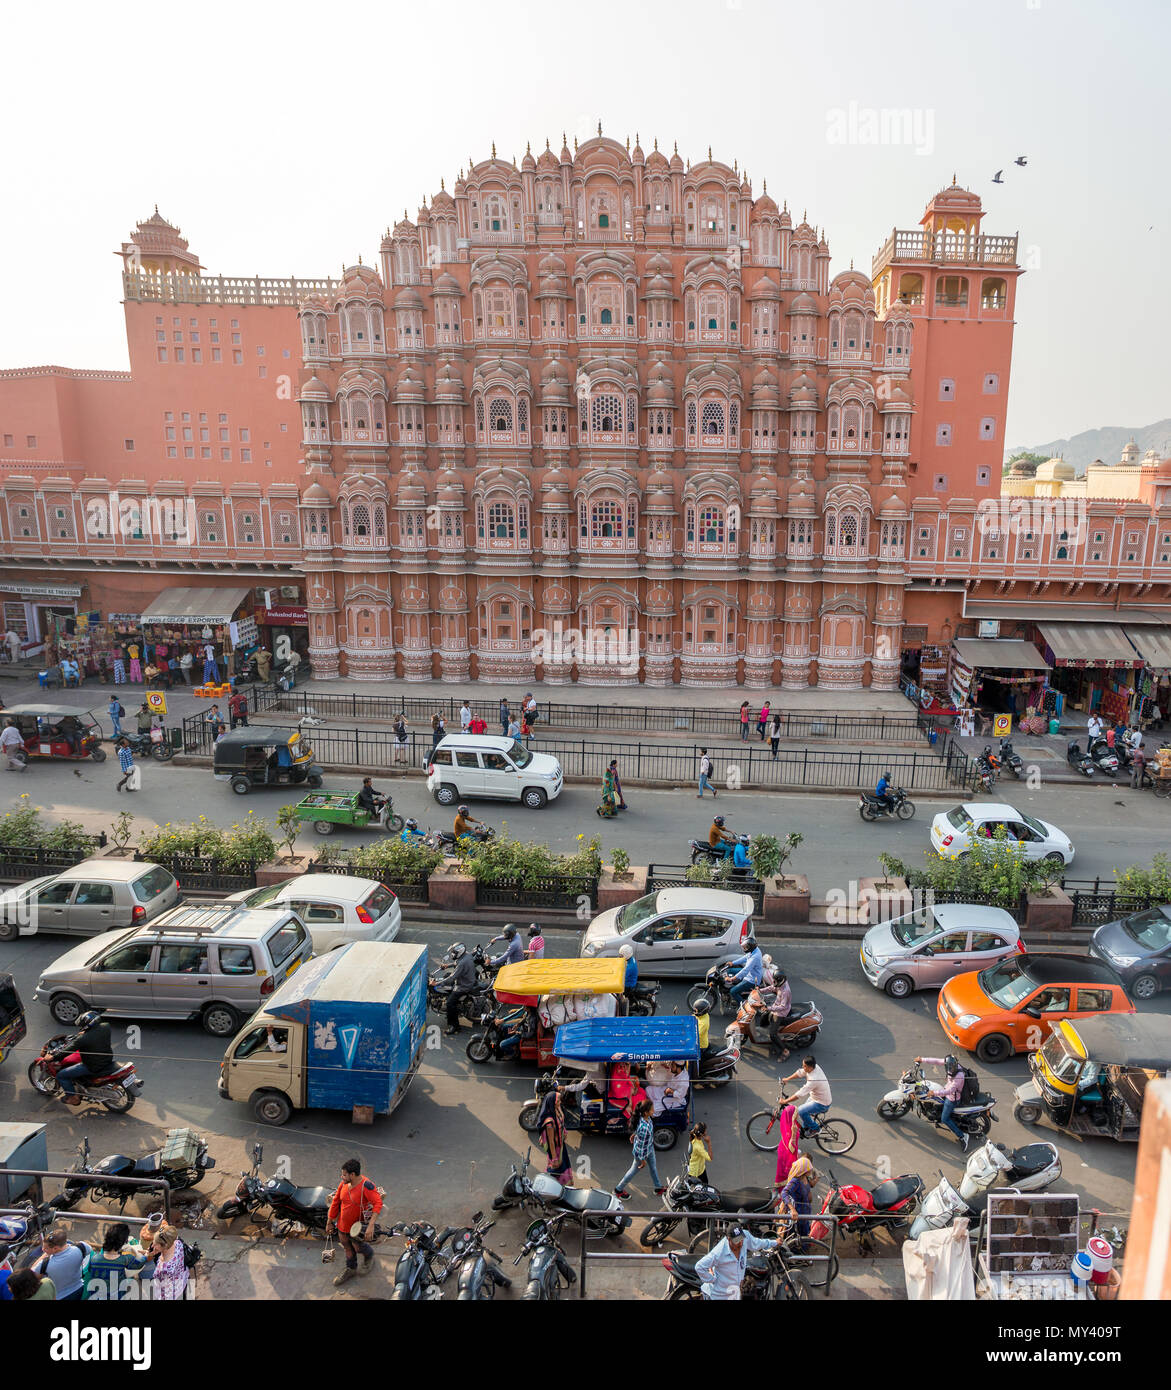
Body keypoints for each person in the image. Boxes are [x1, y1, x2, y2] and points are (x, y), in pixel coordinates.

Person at [326, 1159, 383, 1287]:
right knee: (346, 1246)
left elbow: (378, 1203)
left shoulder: (367, 1186)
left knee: (358, 1247)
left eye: (344, 1175)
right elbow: (336, 1202)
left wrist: (371, 1225)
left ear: (352, 1174)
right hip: (342, 1225)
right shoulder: (343, 1184)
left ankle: (369, 1256)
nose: (342, 1177)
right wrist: (329, 1221)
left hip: (357, 1228)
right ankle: (351, 1268)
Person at [692, 1224, 780, 1301]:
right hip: (717, 1295)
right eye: (737, 1241)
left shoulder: (745, 1236)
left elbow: (757, 1243)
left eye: (741, 1240)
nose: (740, 1243)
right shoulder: (719, 1252)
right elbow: (699, 1267)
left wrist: (774, 1242)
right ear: (728, 1239)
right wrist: (712, 1279)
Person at [55, 1009, 114, 1104]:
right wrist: (87, 1033)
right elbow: (95, 1035)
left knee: (61, 1075)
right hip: (107, 1060)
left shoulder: (83, 1039)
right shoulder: (106, 1027)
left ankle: (72, 1098)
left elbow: (67, 1050)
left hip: (92, 1066)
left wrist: (54, 1057)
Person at [915, 1054, 970, 1150]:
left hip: (952, 1098)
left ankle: (962, 1136)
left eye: (952, 1068)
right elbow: (936, 1061)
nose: (950, 1070)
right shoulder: (950, 1063)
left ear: (956, 1064)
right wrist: (922, 1059)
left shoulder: (959, 1076)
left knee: (945, 1119)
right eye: (948, 1067)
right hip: (946, 1089)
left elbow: (950, 1091)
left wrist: (934, 1093)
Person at [613, 1098, 666, 1199]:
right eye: (652, 1109)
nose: (654, 1110)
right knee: (633, 1171)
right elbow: (641, 1148)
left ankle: (658, 1188)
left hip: (649, 1148)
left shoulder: (645, 1118)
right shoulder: (644, 1128)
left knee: (653, 1169)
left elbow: (641, 1133)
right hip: (641, 1153)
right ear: (646, 1112)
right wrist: (643, 1161)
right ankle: (618, 1190)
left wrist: (634, 1134)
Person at [84, 1221, 149, 1300]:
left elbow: (91, 1270)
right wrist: (146, 1255)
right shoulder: (126, 1259)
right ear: (123, 1242)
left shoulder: (94, 1259)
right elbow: (140, 1263)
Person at [32, 1226, 90, 1301]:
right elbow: (90, 1251)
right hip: (79, 1289)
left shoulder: (44, 1264)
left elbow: (32, 1275)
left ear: (55, 1248)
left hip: (59, 1296)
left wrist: (45, 1255)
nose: (43, 1249)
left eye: (46, 1248)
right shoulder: (82, 1247)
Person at [782, 1054, 832, 1135]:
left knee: (801, 1111)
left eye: (804, 1066)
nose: (803, 1067)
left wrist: (785, 1101)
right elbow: (800, 1072)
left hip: (822, 1103)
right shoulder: (815, 1067)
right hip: (816, 1097)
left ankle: (816, 1129)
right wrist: (788, 1079)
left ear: (810, 1067)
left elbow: (800, 1093)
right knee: (804, 1111)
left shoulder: (814, 1079)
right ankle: (807, 1127)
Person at [776, 1155, 818, 1250]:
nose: (811, 1170)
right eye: (809, 1168)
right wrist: (792, 1209)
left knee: (805, 1236)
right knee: (795, 1239)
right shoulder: (795, 1181)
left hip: (805, 1213)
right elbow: (784, 1193)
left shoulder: (805, 1178)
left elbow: (810, 1187)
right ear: (804, 1169)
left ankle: (804, 1255)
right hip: (797, 1215)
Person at [536, 1085, 573, 1186]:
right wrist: (554, 1158)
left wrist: (564, 1131)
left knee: (563, 1166)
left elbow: (561, 1121)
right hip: (555, 1150)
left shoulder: (556, 1110)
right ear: (552, 1103)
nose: (560, 1103)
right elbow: (551, 1141)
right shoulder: (549, 1123)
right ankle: (550, 1186)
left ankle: (562, 1185)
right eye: (558, 1101)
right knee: (555, 1169)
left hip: (561, 1145)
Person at [141, 1224, 189, 1300]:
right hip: (181, 1280)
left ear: (165, 1246)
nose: (152, 1246)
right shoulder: (177, 1242)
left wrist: (148, 1256)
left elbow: (157, 1279)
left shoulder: (164, 1268)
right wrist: (155, 1252)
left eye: (156, 1244)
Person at [443, 942, 480, 1035]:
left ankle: (454, 1027)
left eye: (454, 952)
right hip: (469, 979)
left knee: (450, 1003)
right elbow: (457, 962)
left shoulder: (462, 963)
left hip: (464, 985)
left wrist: (436, 983)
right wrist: (448, 965)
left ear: (459, 952)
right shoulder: (466, 955)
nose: (452, 954)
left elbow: (452, 978)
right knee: (446, 976)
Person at [725, 935, 764, 1003]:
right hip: (750, 973)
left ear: (750, 947)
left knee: (733, 991)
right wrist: (733, 963)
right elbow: (745, 957)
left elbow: (745, 970)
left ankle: (744, 1006)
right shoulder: (754, 950)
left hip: (752, 979)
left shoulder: (755, 957)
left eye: (745, 948)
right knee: (729, 970)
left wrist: (732, 978)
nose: (744, 949)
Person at [773, 1100, 801, 1188]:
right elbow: (791, 1148)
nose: (797, 1115)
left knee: (782, 1170)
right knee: (786, 1173)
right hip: (786, 1152)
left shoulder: (788, 1122)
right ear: (792, 1116)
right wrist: (793, 1134)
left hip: (782, 1148)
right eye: (795, 1113)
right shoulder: (791, 1128)